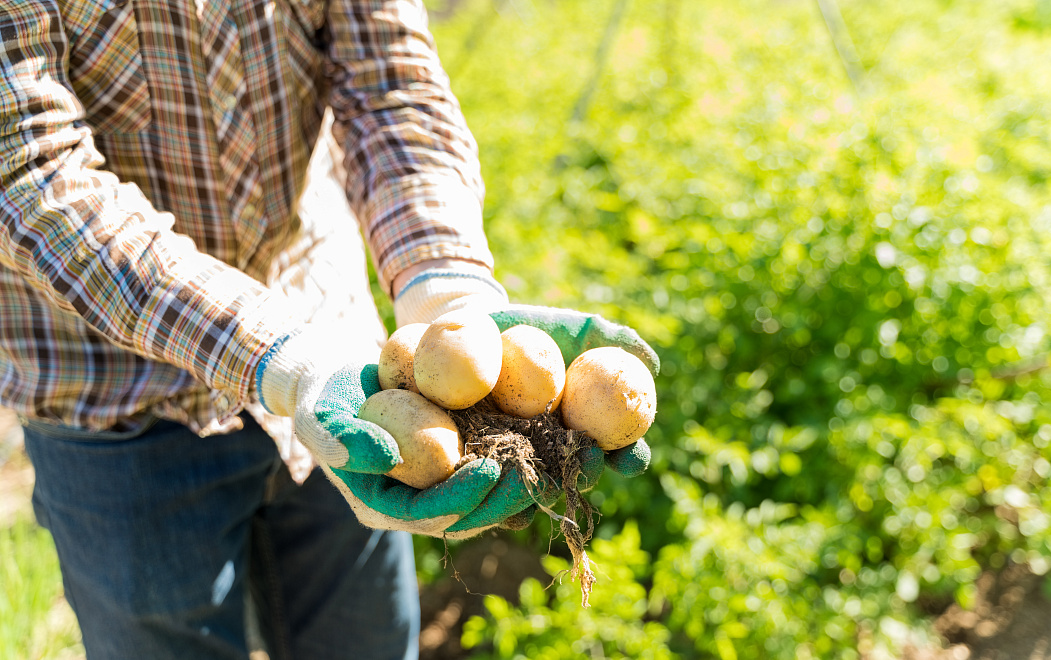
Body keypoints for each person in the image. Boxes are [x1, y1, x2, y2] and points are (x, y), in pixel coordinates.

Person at [0, 1, 658, 658]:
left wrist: (445, 287)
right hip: (112, 393)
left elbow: (390, 83)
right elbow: (29, 172)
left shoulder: (373, 397)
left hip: (342, 376)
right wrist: (281, 359)